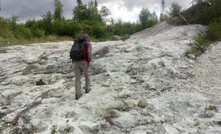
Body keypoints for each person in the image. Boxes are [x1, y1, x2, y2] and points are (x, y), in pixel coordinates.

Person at [73, 34, 92, 100]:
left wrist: (74, 61)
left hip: (76, 62)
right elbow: (89, 51)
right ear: (87, 38)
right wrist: (89, 61)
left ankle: (77, 94)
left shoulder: (77, 43)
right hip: (84, 62)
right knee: (87, 75)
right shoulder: (88, 43)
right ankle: (87, 88)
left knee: (77, 78)